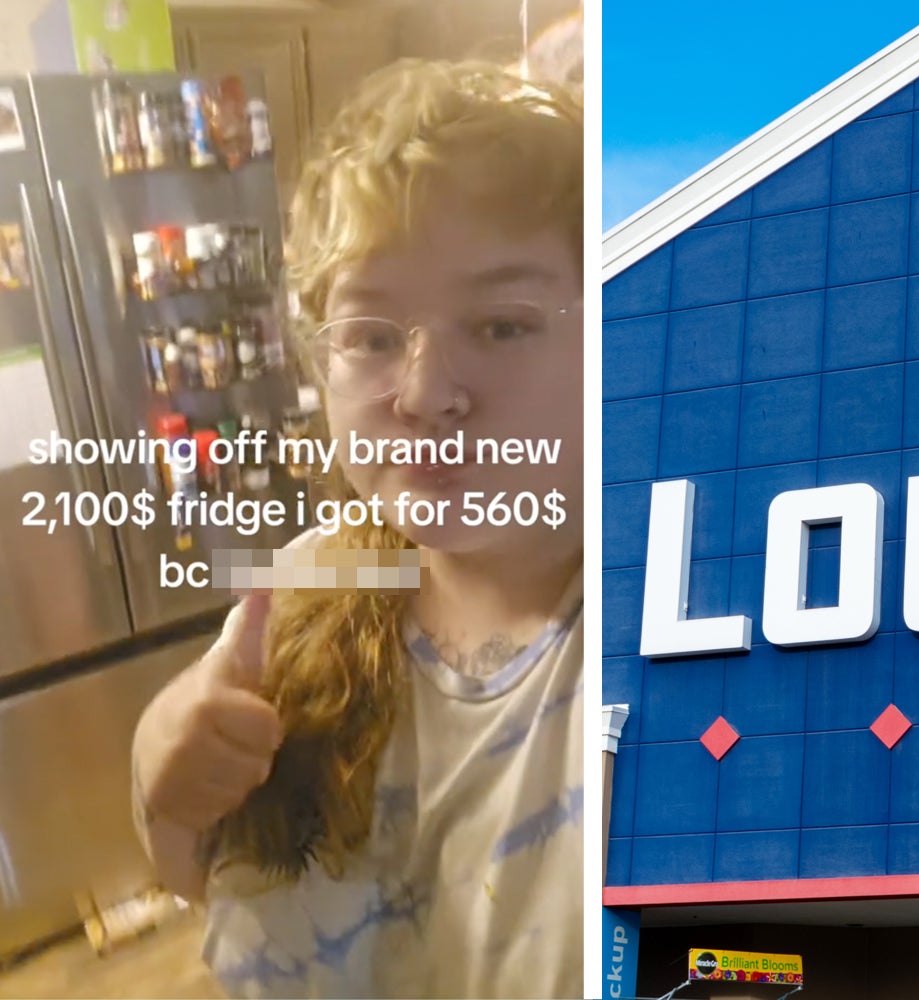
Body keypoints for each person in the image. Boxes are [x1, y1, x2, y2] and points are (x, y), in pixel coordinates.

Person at [128, 58, 584, 998]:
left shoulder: (657, 618)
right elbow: (205, 874)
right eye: (373, 337)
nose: (423, 395)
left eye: (500, 325)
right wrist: (160, 778)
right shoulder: (308, 590)